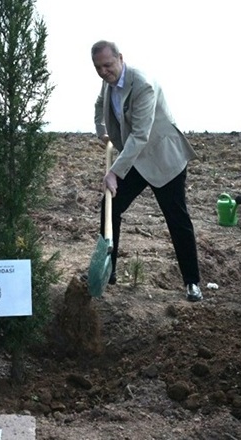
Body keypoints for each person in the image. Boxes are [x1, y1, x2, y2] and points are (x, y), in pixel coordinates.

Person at [91, 40, 203, 302]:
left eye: (107, 65)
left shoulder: (142, 85)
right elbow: (99, 104)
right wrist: (101, 131)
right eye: (98, 68)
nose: (104, 71)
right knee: (110, 207)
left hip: (163, 158)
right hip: (134, 158)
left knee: (176, 218)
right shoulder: (108, 81)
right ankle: (110, 272)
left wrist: (114, 173)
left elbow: (140, 135)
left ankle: (192, 282)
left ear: (120, 57)